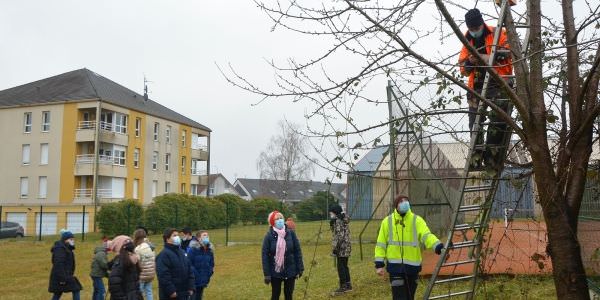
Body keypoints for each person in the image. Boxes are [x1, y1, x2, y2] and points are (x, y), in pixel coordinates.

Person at [458, 8, 513, 170]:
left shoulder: (498, 33)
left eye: (476, 28)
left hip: (499, 83)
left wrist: (485, 57)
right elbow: (462, 67)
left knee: (499, 121)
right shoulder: (468, 39)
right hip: (477, 86)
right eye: (471, 29)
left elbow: (508, 52)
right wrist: (470, 62)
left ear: (481, 24)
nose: (474, 31)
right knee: (475, 125)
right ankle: (476, 161)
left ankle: (491, 159)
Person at [374, 196, 444, 300]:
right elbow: (381, 244)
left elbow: (426, 236)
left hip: (412, 268)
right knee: (399, 297)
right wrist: (379, 264)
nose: (404, 203)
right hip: (395, 268)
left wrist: (437, 245)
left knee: (409, 297)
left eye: (406, 201)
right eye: (401, 201)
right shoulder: (387, 222)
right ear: (396, 205)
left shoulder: (417, 220)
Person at [262, 210, 304, 300]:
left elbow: (297, 251)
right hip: (275, 271)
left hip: (290, 270)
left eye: (281, 218)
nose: (280, 220)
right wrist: (267, 274)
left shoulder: (291, 233)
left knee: (289, 294)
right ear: (272, 221)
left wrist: (300, 268)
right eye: (277, 219)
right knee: (275, 294)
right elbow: (265, 255)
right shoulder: (268, 236)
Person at [156, 228, 196, 299]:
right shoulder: (163, 255)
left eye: (177, 235)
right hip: (172, 295)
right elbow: (163, 276)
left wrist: (191, 286)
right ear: (167, 239)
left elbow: (189, 269)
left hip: (184, 293)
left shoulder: (182, 252)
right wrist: (171, 291)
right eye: (174, 235)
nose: (177, 237)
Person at [49, 229, 82, 300]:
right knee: (76, 288)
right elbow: (58, 264)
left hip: (65, 275)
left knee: (58, 292)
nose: (72, 241)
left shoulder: (67, 248)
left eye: (73, 239)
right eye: (70, 239)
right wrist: (62, 278)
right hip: (61, 276)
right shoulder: (60, 249)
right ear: (65, 240)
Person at [329, 204, 352, 296]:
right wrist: (332, 224)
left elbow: (339, 236)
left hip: (341, 247)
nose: (330, 214)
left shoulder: (338, 221)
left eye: (331, 213)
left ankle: (343, 286)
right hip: (347, 246)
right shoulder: (343, 219)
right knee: (345, 265)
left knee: (340, 266)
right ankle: (348, 284)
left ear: (335, 212)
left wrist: (335, 248)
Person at [188, 230, 215, 300]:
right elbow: (189, 265)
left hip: (203, 280)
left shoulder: (209, 251)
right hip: (194, 281)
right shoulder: (193, 250)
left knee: (199, 297)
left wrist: (209, 272)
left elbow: (211, 264)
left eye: (207, 235)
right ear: (199, 238)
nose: (207, 237)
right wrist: (196, 275)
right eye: (204, 235)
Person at [134, 228, 156, 300]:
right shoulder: (150, 247)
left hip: (142, 275)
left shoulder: (137, 249)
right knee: (149, 292)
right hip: (151, 274)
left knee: (139, 292)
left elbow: (136, 262)